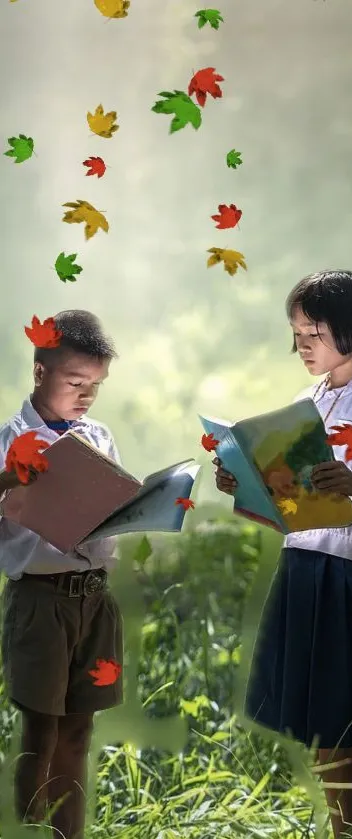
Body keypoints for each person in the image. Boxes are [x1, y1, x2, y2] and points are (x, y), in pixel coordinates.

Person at [213, 270, 352, 838]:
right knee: (318, 721)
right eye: (296, 334)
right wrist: (245, 484)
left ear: (350, 331)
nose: (302, 346)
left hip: (350, 575)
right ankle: (342, 830)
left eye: (313, 333)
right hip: (301, 569)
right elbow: (286, 505)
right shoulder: (304, 403)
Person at [0, 310, 124, 839]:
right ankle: (29, 830)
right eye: (75, 383)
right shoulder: (10, 437)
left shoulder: (98, 435)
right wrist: (10, 479)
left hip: (95, 598)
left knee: (78, 733)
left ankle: (69, 834)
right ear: (39, 371)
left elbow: (112, 509)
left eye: (95, 386)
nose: (85, 396)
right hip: (40, 601)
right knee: (41, 734)